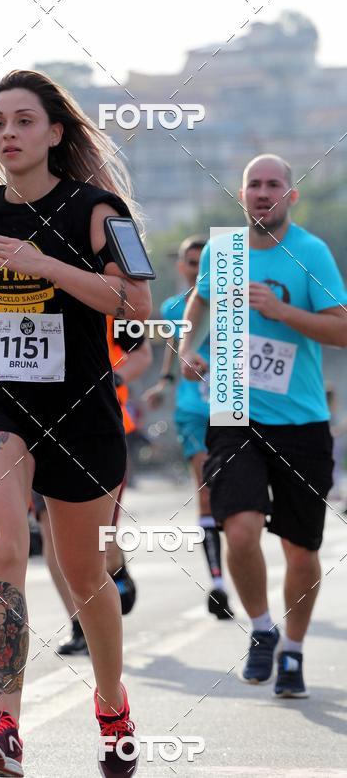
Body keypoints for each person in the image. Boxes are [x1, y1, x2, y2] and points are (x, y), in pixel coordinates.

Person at [0, 69, 152, 777]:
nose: (7, 133)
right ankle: (4, 725)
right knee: (4, 543)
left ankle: (111, 702)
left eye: (23, 121)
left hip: (82, 409)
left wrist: (44, 263)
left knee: (85, 572)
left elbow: (139, 309)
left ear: (55, 132)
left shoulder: (103, 211)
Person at [178, 154, 347, 698]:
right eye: (254, 184)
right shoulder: (223, 252)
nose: (264, 192)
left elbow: (341, 330)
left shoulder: (310, 253)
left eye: (275, 184)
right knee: (240, 530)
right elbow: (199, 306)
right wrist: (187, 347)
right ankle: (261, 629)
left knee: (301, 551)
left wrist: (281, 311)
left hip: (301, 421)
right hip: (232, 411)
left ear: (290, 196)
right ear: (242, 193)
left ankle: (293, 652)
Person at [35, 317, 153, 657]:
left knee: (99, 538)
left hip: (96, 426)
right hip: (36, 426)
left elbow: (142, 353)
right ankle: (79, 623)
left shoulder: (105, 300)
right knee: (50, 533)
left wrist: (111, 378)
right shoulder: (24, 290)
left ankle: (115, 567)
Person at [143, 236, 233, 620]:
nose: (199, 269)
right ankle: (218, 583)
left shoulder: (232, 300)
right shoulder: (173, 307)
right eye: (192, 263)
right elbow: (172, 342)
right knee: (206, 490)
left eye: (205, 262)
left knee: (238, 493)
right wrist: (165, 381)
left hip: (231, 402)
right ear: (182, 267)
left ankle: (241, 550)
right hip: (192, 408)